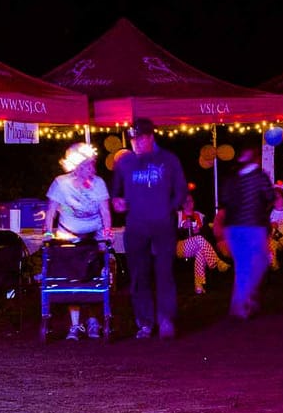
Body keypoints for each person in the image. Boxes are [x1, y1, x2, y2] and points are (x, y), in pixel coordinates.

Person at [112, 118, 188, 339]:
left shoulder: (168, 159)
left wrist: (168, 209)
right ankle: (145, 322)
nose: (135, 143)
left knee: (164, 272)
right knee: (139, 274)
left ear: (150, 137)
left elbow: (181, 190)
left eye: (140, 139)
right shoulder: (125, 162)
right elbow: (116, 192)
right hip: (136, 226)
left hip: (162, 225)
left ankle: (166, 319)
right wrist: (117, 201)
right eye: (132, 139)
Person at [45, 142, 115, 340]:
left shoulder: (99, 183)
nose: (91, 169)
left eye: (92, 164)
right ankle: (75, 325)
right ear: (75, 166)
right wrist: (48, 234)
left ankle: (93, 321)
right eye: (86, 165)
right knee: (72, 279)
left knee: (92, 279)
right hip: (69, 235)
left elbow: (105, 211)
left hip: (93, 236)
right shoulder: (61, 183)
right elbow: (51, 211)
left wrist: (107, 233)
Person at [217, 143, 276, 321]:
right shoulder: (260, 176)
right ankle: (242, 304)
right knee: (259, 262)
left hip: (233, 227)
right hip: (253, 226)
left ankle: (245, 301)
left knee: (243, 266)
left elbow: (224, 199)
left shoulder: (232, 177)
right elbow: (270, 197)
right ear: (256, 158)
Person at [176, 196, 229, 295]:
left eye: (190, 200)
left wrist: (200, 231)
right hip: (180, 246)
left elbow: (208, 235)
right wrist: (182, 228)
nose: (188, 202)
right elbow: (170, 234)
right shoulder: (177, 215)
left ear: (193, 202)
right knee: (199, 239)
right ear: (182, 204)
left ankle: (199, 286)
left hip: (196, 246)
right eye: (186, 201)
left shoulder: (200, 216)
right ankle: (216, 261)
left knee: (200, 251)